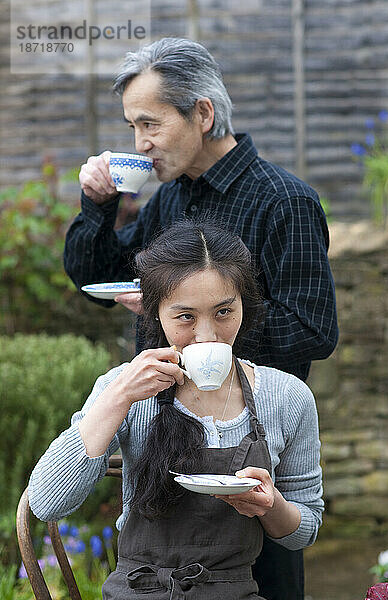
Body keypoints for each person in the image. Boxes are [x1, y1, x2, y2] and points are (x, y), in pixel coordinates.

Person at [63, 37, 338, 599]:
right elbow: (100, 277)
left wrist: (202, 329)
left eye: (150, 124)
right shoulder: (170, 201)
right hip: (168, 450)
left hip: (259, 466)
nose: (140, 143)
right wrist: (99, 205)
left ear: (203, 114)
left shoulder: (285, 201)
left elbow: (314, 329)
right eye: (132, 126)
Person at [30, 220, 324, 600]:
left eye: (223, 312)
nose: (207, 335)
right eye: (186, 316)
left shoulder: (287, 396)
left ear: (243, 307)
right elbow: (46, 503)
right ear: (156, 314)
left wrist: (271, 506)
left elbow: (306, 529)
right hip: (138, 590)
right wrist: (118, 397)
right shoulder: (126, 389)